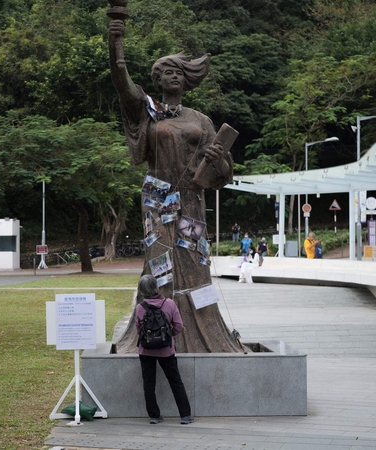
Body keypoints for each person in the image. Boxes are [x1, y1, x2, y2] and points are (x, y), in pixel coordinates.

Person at [108, 18, 242, 354]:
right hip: (157, 195)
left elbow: (224, 173)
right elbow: (121, 81)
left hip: (191, 199)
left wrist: (216, 158)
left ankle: (203, 334)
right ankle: (153, 332)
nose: (174, 75)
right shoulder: (148, 113)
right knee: (159, 261)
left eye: (179, 71)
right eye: (167, 71)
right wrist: (117, 42)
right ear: (157, 79)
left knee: (194, 261)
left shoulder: (201, 120)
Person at [134, 275, 194, 425]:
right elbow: (179, 326)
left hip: (146, 351)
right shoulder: (169, 304)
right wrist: (168, 336)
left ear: (141, 290)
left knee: (149, 383)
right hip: (166, 350)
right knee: (175, 381)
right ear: (156, 286)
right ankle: (185, 415)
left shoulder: (140, 308)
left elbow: (138, 329)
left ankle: (154, 416)